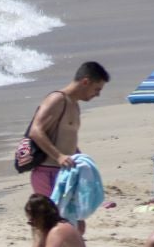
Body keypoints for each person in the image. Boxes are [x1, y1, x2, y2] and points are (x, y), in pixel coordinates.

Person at [23, 61, 110, 199]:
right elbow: (36, 131)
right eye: (97, 89)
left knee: (76, 220)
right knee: (58, 220)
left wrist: (81, 160)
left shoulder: (74, 105)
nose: (97, 95)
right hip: (48, 173)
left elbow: (67, 140)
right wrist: (59, 156)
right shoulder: (57, 99)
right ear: (86, 82)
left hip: (64, 173)